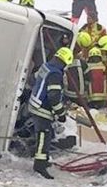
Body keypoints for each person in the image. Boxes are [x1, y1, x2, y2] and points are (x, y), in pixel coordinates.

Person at [28, 47, 73, 179]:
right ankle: (39, 165)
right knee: (44, 135)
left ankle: (43, 159)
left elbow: (32, 79)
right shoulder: (55, 74)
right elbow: (53, 96)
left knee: (47, 135)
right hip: (42, 109)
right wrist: (61, 113)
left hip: (35, 104)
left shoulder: (46, 66)